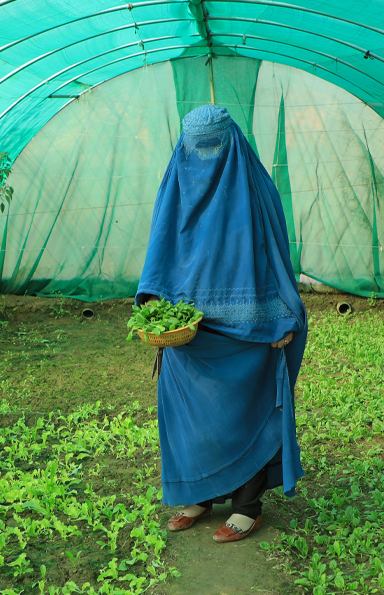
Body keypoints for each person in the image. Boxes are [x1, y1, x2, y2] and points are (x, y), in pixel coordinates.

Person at [135, 105, 307, 543]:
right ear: (184, 146)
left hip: (250, 327)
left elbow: (274, 252)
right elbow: (160, 245)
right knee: (188, 413)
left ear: (230, 144)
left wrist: (285, 314)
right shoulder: (175, 181)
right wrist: (154, 305)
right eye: (197, 149)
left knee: (246, 410)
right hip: (188, 331)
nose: (203, 161)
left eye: (213, 149)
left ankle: (248, 505)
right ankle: (201, 493)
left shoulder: (253, 187)